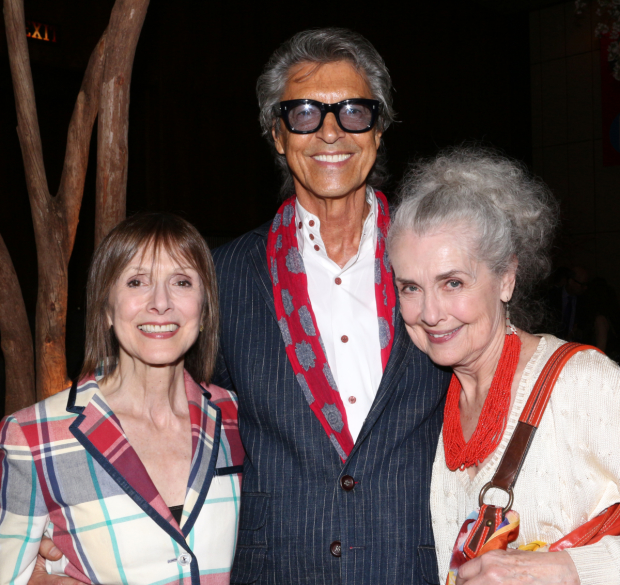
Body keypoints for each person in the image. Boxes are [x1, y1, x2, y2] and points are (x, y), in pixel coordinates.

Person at [32, 28, 451, 585]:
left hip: (416, 568)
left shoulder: (436, 262)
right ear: (278, 135)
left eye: (353, 111)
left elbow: (497, 379)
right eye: (303, 113)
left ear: (378, 129)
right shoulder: (221, 276)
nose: (330, 132)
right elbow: (142, 400)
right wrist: (60, 513)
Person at [388, 147, 620, 584]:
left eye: (452, 282)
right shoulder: (424, 408)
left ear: (507, 278)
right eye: (410, 288)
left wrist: (570, 568)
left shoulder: (583, 384)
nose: (430, 313)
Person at [1, 213, 244, 584]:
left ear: (206, 309)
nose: (160, 303)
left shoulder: (238, 419)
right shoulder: (33, 437)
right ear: (106, 309)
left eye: (181, 281)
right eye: (136, 282)